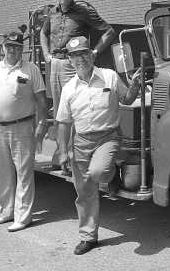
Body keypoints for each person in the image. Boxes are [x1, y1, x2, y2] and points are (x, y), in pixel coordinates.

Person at [56, 36, 142, 255]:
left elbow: (128, 100)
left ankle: (110, 173)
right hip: (81, 142)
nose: (81, 59)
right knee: (84, 193)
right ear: (69, 60)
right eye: (75, 56)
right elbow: (64, 123)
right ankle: (88, 237)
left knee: (99, 171)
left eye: (84, 53)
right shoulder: (68, 88)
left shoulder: (109, 76)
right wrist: (64, 151)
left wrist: (134, 85)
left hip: (108, 137)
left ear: (91, 55)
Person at [40, 0, 116, 169]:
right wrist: (47, 55)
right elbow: (43, 32)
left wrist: (95, 51)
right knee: (60, 112)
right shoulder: (51, 12)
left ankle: (76, 157)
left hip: (72, 64)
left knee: (76, 109)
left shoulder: (83, 12)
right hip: (54, 65)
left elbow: (109, 31)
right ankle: (62, 153)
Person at [0, 31, 48, 232]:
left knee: (24, 173)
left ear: (22, 49)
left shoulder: (31, 69)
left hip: (23, 127)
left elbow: (41, 100)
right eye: (9, 46)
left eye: (17, 47)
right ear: (3, 48)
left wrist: (42, 123)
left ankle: (23, 217)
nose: (13, 50)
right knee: (3, 173)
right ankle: (6, 212)